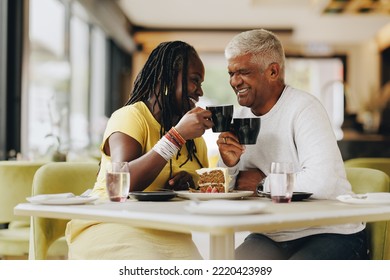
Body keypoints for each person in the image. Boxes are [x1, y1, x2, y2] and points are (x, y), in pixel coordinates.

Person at [217, 29, 368, 260]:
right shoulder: (239, 117)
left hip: (330, 231)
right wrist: (230, 165)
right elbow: (228, 187)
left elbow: (322, 181)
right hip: (272, 235)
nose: (234, 81)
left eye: (243, 72)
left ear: (273, 71)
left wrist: (261, 185)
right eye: (231, 73)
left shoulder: (304, 108)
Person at [65, 41, 213, 259]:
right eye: (194, 80)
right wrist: (176, 137)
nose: (200, 91)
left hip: (166, 232)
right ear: (167, 79)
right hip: (111, 223)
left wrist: (191, 182)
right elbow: (122, 182)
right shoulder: (131, 117)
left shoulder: (194, 140)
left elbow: (205, 189)